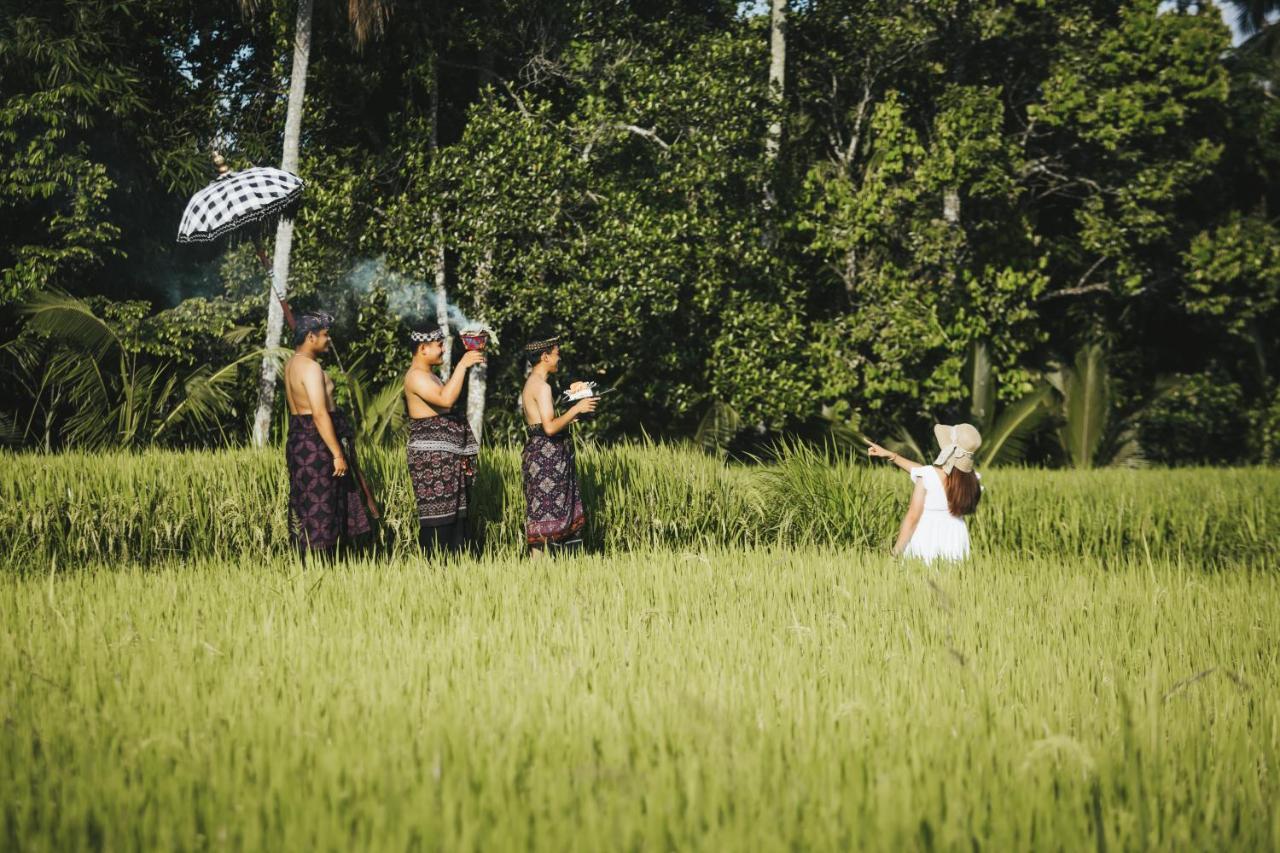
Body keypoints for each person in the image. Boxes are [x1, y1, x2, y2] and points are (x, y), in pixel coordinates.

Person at [283, 311, 372, 558]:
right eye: (325, 335)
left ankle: (314, 564)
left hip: (299, 443)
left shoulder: (291, 363)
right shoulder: (311, 368)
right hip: (317, 445)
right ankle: (323, 566)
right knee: (323, 510)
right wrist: (337, 454)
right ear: (311, 337)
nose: (329, 340)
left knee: (308, 506)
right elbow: (320, 414)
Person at [403, 327, 486, 556]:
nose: (442, 350)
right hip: (432, 461)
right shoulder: (415, 376)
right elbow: (446, 400)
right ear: (422, 348)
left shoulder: (431, 375)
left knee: (455, 521)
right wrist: (462, 365)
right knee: (439, 522)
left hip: (446, 459)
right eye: (439, 345)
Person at [520, 337, 597, 558]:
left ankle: (541, 573)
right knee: (550, 515)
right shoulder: (542, 387)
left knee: (541, 516)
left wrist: (568, 417)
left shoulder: (531, 383)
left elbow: (543, 423)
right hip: (548, 457)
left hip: (538, 453)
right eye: (556, 353)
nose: (559, 357)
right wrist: (577, 408)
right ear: (545, 357)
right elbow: (550, 428)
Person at [867, 424, 983, 563]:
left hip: (927, 538)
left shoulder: (928, 476)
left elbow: (912, 518)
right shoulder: (972, 479)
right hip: (956, 540)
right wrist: (892, 456)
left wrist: (894, 554)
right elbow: (925, 471)